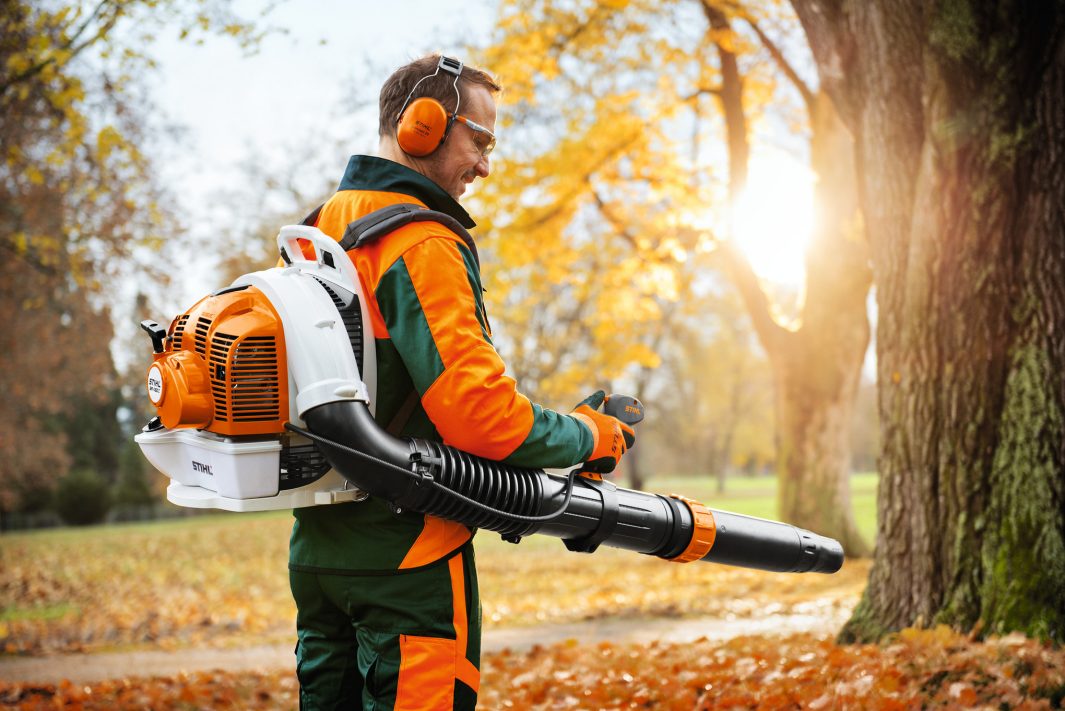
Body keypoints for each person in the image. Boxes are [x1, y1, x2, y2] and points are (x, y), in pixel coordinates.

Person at [288, 54, 635, 710]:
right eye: (479, 140)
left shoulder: (318, 228)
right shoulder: (418, 242)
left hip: (318, 553)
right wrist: (588, 433)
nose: (484, 165)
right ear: (422, 125)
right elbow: (482, 418)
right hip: (408, 555)